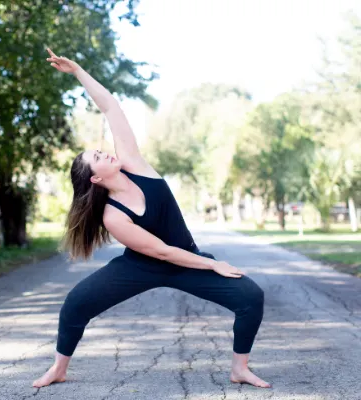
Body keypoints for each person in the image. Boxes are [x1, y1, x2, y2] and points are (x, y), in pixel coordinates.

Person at [33, 48, 271, 389]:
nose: (105, 150)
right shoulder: (113, 216)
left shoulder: (133, 162)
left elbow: (111, 106)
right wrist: (213, 265)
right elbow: (160, 252)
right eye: (98, 156)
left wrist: (78, 72)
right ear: (95, 179)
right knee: (76, 303)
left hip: (184, 257)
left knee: (250, 297)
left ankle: (240, 369)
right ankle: (58, 368)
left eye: (100, 149)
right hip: (143, 264)